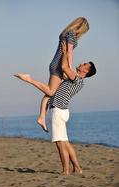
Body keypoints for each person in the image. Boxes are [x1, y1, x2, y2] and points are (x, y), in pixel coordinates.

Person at [14, 42, 96, 175]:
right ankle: (77, 168)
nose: (82, 63)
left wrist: (64, 51)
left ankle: (66, 171)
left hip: (58, 110)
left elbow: (64, 66)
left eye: (84, 64)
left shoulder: (76, 78)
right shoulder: (76, 80)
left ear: (85, 71)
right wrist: (68, 53)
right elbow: (67, 67)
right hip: (62, 111)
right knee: (66, 143)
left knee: (60, 144)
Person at [15, 17, 89, 132]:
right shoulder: (72, 35)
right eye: (84, 31)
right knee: (50, 91)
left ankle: (42, 118)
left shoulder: (65, 33)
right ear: (82, 28)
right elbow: (69, 52)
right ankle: (28, 79)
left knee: (50, 93)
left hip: (56, 64)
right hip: (59, 66)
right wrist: (69, 69)